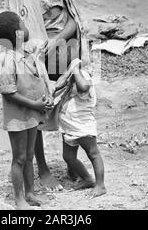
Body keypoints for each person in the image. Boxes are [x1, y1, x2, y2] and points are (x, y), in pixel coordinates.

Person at [6, 0, 88, 191]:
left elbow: (73, 19)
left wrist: (58, 40)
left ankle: (71, 162)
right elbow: (18, 33)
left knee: (71, 111)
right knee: (37, 113)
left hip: (66, 52)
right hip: (36, 61)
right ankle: (41, 168)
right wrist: (42, 46)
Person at [0, 11, 53, 210]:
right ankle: (19, 199)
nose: (27, 27)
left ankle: (30, 192)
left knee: (30, 154)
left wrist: (46, 97)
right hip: (18, 117)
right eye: (23, 24)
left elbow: (38, 80)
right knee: (20, 158)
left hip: (32, 114)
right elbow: (8, 92)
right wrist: (35, 105)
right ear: (17, 34)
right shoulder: (9, 60)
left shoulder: (27, 55)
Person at [57, 60, 106, 197]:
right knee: (68, 156)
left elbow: (84, 88)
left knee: (93, 154)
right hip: (69, 126)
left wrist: (76, 70)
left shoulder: (83, 75)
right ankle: (87, 178)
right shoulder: (68, 76)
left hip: (82, 125)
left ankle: (100, 185)